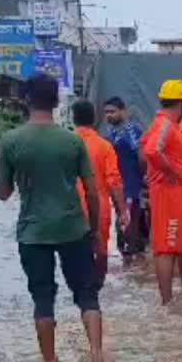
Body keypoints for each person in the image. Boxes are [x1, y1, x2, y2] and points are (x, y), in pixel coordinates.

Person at [0, 74, 104, 362]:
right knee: (86, 293)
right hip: (73, 228)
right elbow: (92, 193)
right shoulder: (72, 140)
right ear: (57, 101)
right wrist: (93, 229)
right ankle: (96, 356)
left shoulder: (10, 141)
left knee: (43, 299)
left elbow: (3, 193)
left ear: (27, 100)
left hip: (32, 232)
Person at [141, 79, 182, 305]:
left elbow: (145, 148)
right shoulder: (166, 124)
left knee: (172, 244)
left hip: (174, 193)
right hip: (168, 192)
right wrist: (170, 171)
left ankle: (178, 293)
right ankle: (166, 302)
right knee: (166, 247)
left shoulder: (164, 124)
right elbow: (151, 151)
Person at [73, 100, 129, 291]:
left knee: (75, 253)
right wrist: (123, 211)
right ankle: (96, 293)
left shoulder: (65, 144)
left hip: (69, 210)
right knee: (100, 252)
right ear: (95, 119)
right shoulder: (104, 146)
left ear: (73, 119)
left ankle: (81, 293)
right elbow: (114, 182)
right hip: (98, 208)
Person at [102, 97, 147, 258]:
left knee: (128, 226)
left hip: (131, 186)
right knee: (123, 226)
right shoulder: (109, 132)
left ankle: (133, 268)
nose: (109, 115)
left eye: (112, 112)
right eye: (106, 112)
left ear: (123, 111)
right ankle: (133, 267)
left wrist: (142, 178)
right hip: (117, 187)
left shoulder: (132, 130)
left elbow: (142, 157)